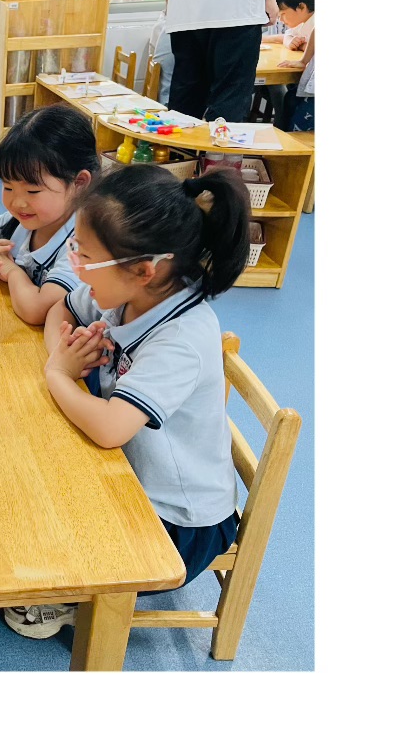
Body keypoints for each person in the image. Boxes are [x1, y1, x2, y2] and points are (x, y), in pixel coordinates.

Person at [21, 166, 252, 640]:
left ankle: (77, 600)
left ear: (146, 269)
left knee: (30, 541)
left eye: (85, 257)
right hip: (131, 473)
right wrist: (63, 353)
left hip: (179, 524)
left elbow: (110, 429)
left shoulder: (182, 337)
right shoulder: (129, 292)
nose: (74, 266)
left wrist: (58, 373)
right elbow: (60, 308)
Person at [0, 105, 102, 337]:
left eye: (32, 191)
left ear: (79, 183)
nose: (17, 203)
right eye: (8, 187)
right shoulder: (19, 222)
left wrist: (12, 272)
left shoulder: (83, 246)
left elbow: (36, 311)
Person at [162, 0, 284, 125]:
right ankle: (221, 139)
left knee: (187, 90)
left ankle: (181, 140)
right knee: (231, 92)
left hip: (185, 9)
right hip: (237, 9)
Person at [274, 0, 315, 131]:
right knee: (290, 99)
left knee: (295, 108)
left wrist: (303, 59)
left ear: (301, 7)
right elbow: (288, 35)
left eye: (284, 13)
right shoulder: (307, 22)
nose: (281, 19)